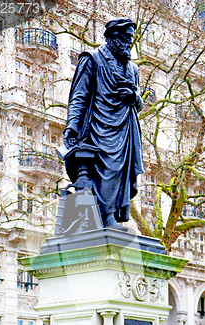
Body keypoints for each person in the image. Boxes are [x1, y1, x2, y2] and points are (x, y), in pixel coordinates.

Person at [63, 18, 144, 230]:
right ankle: (104, 217)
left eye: (131, 39)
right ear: (112, 38)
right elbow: (79, 96)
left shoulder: (133, 69)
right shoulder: (92, 59)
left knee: (121, 173)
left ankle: (112, 218)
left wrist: (134, 97)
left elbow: (139, 102)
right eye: (125, 38)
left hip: (125, 128)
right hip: (99, 126)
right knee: (106, 170)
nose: (129, 43)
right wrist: (72, 126)